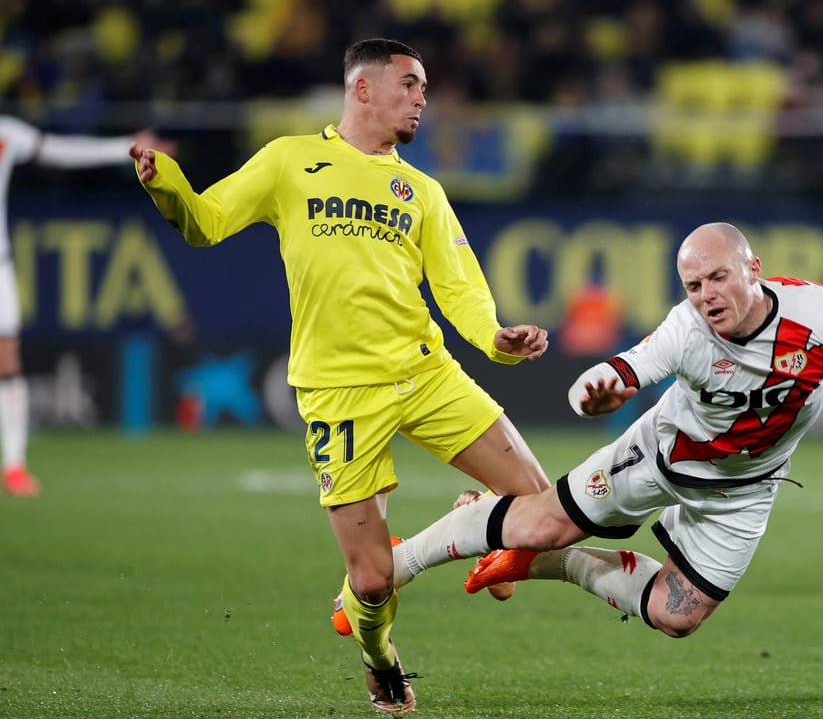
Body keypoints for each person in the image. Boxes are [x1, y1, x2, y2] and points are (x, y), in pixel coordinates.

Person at [130, 38, 552, 715]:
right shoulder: (290, 161)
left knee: (540, 503)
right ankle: (381, 660)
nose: (422, 99)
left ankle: (475, 523)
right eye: (410, 85)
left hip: (425, 372)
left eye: (423, 88)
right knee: (373, 579)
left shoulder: (422, 190)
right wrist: (167, 183)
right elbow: (205, 224)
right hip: (339, 392)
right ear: (363, 89)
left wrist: (499, 342)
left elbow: (463, 293)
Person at [379, 222, 823, 639]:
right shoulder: (686, 328)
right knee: (544, 522)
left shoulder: (821, 317)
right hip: (658, 456)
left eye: (718, 277)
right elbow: (615, 371)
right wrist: (594, 396)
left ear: (754, 269)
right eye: (694, 284)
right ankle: (397, 563)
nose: (707, 294)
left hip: (746, 490)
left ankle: (555, 563)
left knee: (676, 616)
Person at [0, 117, 174, 497]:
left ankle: (14, 466)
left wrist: (124, 145)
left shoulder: (5, 133)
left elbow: (60, 152)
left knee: (8, 362)